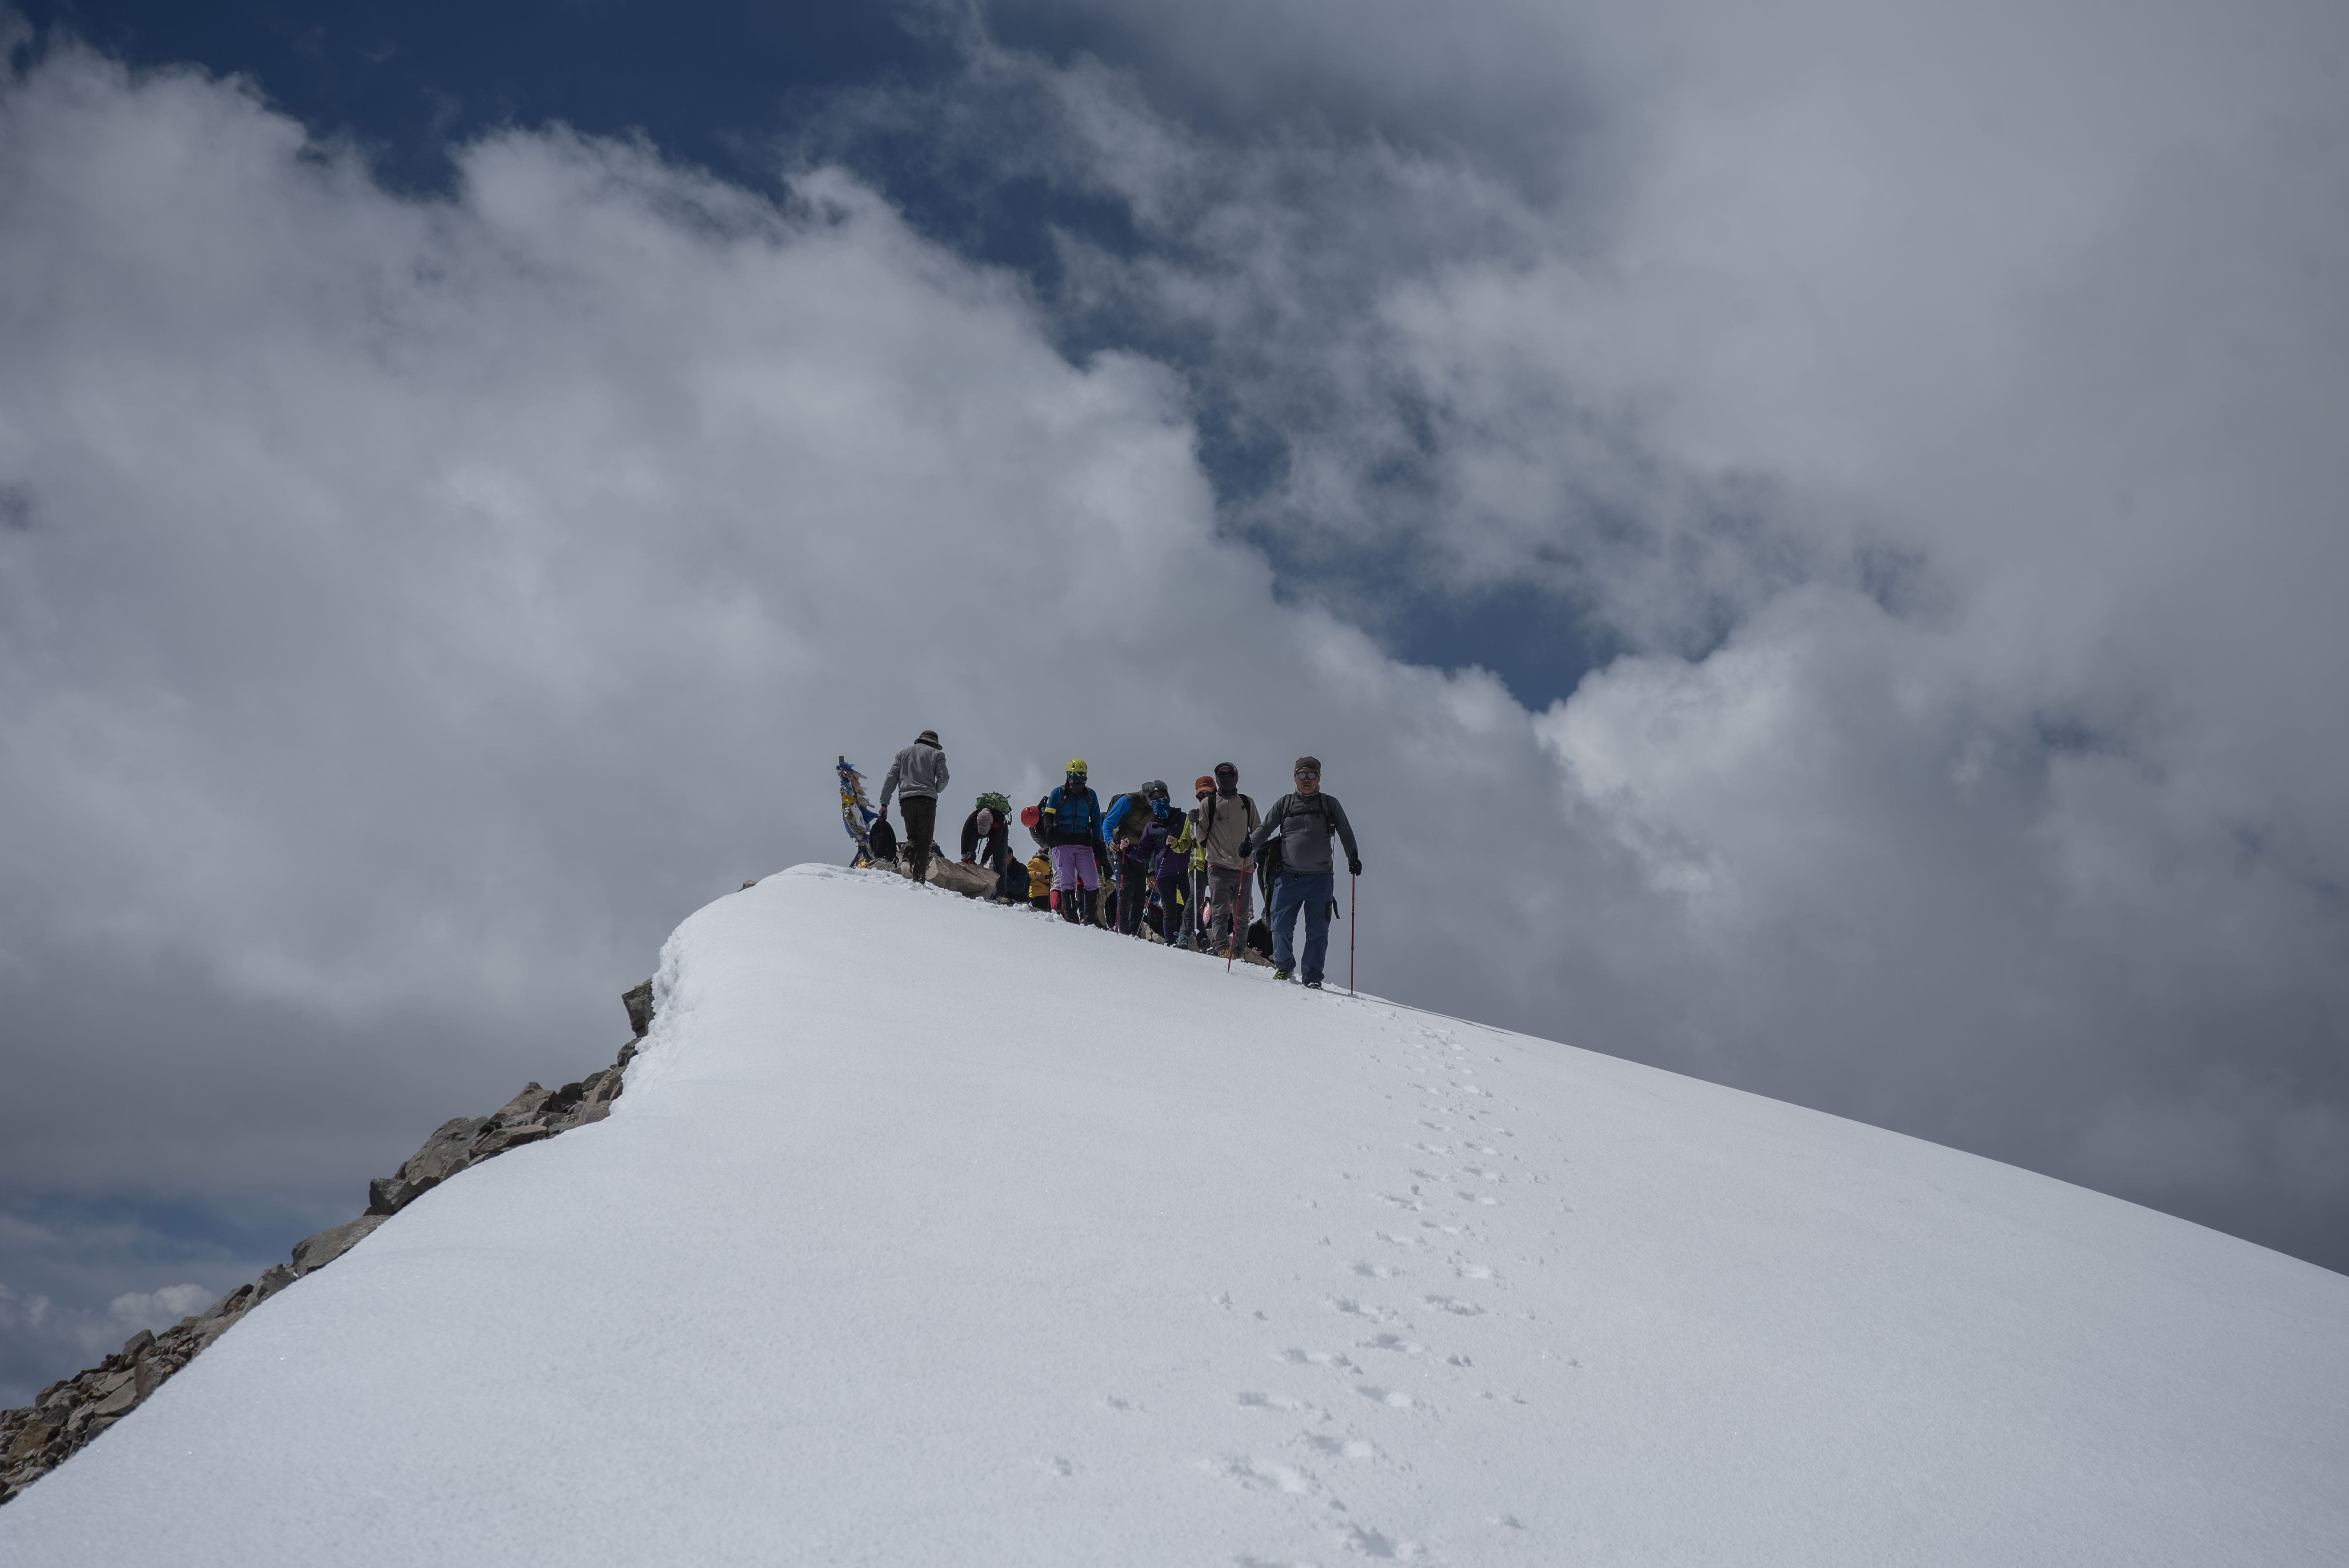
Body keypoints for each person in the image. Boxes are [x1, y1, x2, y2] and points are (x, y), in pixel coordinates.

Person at [1242, 755, 1361, 988]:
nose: (1307, 780)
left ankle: (1313, 977)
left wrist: (1353, 857)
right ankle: (1284, 966)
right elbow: (1266, 827)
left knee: (1318, 931)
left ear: (1319, 778)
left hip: (1321, 879)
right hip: (1288, 878)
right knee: (1280, 925)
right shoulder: (1285, 804)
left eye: (1312, 775)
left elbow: (1346, 832)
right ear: (1295, 777)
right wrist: (1250, 845)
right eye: (1302, 775)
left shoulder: (1330, 804)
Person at [1195, 761, 1261, 956]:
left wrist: (1254, 855)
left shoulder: (1247, 802)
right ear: (1217, 779)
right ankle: (1222, 948)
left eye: (1229, 773)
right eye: (1222, 774)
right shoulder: (1209, 804)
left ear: (1236, 776)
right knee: (1220, 911)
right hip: (1218, 865)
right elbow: (1200, 837)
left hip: (1244, 866)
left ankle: (1238, 951)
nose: (1226, 777)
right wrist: (1195, 822)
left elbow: (1258, 831)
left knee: (1241, 915)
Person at [878, 730, 949, 886]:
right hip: (927, 800)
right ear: (933, 744)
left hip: (906, 800)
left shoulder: (902, 754)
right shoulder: (937, 755)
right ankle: (919, 879)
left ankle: (907, 860)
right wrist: (936, 789)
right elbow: (944, 777)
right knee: (925, 841)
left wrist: (884, 803)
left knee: (913, 837)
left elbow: (891, 778)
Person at [1039, 759, 1105, 926]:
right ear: (1068, 777)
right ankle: (1071, 917)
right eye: (1075, 781)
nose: (1078, 784)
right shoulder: (1057, 794)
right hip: (1062, 844)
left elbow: (1096, 818)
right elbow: (1048, 815)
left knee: (1092, 881)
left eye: (1082, 781)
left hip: (1084, 843)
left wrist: (1097, 840)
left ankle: (1090, 918)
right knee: (1067, 882)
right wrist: (1049, 831)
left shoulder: (1091, 795)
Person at [961, 792, 1020, 901]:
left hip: (999, 833)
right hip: (979, 828)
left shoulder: (999, 821)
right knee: (973, 837)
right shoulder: (973, 818)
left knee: (1000, 859)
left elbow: (992, 845)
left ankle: (1000, 894)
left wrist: (983, 862)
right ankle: (970, 859)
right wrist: (963, 854)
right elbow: (965, 835)